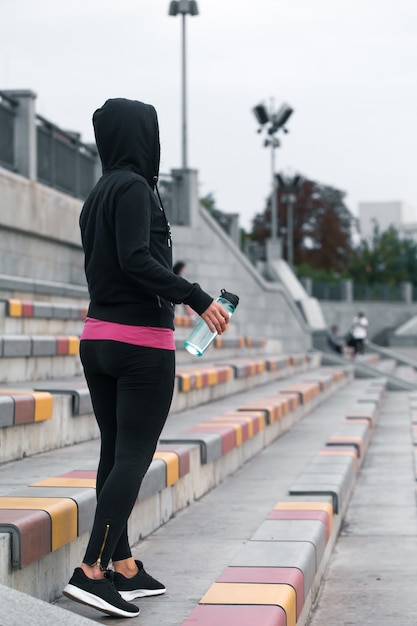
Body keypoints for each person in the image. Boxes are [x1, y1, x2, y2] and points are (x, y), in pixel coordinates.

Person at [63, 98, 229, 618]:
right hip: (139, 345)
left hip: (100, 340)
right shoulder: (135, 188)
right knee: (133, 455)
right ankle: (91, 570)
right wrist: (195, 295)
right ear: (143, 138)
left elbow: (118, 262)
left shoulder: (97, 193)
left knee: (115, 452)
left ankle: (123, 565)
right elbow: (136, 258)